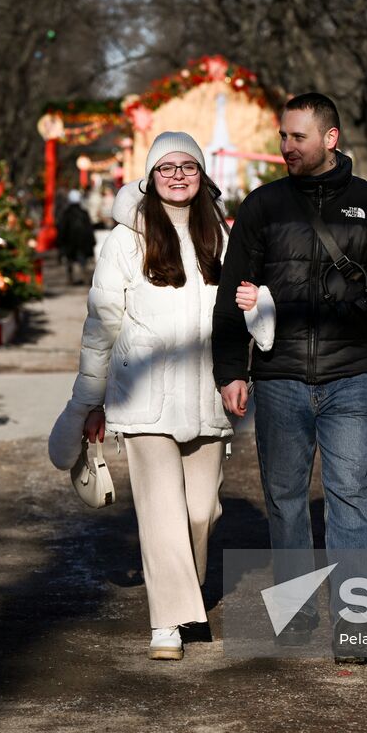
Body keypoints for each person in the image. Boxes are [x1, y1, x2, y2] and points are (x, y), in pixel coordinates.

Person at [211, 92, 367, 664]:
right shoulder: (261, 208)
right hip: (278, 379)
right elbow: (232, 297)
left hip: (349, 380)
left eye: (297, 136)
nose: (286, 146)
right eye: (282, 136)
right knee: (287, 501)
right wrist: (230, 369)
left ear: (330, 139)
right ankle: (296, 617)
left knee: (351, 500)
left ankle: (355, 628)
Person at [52, 131, 273, 661]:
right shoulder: (126, 240)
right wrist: (91, 400)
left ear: (201, 176)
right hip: (142, 396)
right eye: (166, 167)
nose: (177, 175)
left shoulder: (222, 236)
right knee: (161, 511)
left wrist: (258, 304)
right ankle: (167, 624)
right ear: (150, 177)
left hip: (207, 396)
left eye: (188, 166)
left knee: (201, 513)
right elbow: (101, 326)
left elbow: (249, 307)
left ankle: (185, 595)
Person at [56, 189, 97, 284]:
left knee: (70, 261)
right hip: (82, 243)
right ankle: (84, 277)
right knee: (83, 261)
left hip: (70, 243)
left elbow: (62, 229)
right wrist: (92, 242)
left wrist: (60, 242)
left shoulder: (66, 214)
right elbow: (89, 229)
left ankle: (71, 278)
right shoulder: (84, 213)